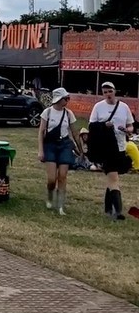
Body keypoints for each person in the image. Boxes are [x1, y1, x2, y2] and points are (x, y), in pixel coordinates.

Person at [88, 81, 134, 219]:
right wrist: (104, 125)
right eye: (105, 92)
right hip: (105, 147)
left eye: (110, 91)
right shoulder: (98, 107)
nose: (108, 94)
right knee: (113, 178)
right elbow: (91, 125)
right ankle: (118, 211)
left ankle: (108, 208)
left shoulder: (124, 107)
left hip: (120, 146)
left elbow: (131, 126)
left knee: (112, 178)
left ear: (115, 91)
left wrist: (127, 130)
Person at [38, 88, 84, 215]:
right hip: (50, 145)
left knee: (62, 177)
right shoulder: (47, 113)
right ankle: (50, 196)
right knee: (52, 179)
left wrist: (81, 150)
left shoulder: (69, 114)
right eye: (66, 99)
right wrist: (41, 150)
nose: (67, 101)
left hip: (64, 145)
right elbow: (41, 132)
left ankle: (60, 206)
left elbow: (75, 133)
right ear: (59, 99)